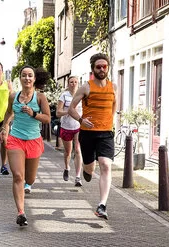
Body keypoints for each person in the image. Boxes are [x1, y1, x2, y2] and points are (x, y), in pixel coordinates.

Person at [0, 65, 50, 226]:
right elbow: (8, 113)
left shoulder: (40, 97)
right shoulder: (13, 96)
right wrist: (4, 128)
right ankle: (21, 212)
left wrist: (33, 114)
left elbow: (48, 119)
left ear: (34, 79)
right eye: (24, 75)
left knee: (29, 178)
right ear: (20, 78)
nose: (27, 78)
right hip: (16, 139)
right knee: (18, 176)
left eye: (30, 75)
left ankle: (28, 185)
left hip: (34, 140)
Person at [68, 53, 116, 220]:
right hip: (87, 133)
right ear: (93, 69)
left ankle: (102, 205)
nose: (102, 69)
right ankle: (87, 171)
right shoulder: (85, 88)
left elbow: (113, 107)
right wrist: (81, 120)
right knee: (90, 167)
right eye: (98, 67)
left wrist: (109, 122)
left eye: (104, 66)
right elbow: (71, 109)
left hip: (106, 133)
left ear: (108, 68)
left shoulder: (113, 87)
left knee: (105, 165)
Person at [56, 76, 83, 186]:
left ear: (78, 83)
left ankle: (77, 177)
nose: (73, 84)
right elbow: (58, 113)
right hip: (66, 126)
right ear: (68, 84)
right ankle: (67, 167)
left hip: (78, 126)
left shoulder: (82, 95)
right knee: (68, 152)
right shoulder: (64, 96)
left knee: (77, 150)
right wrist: (69, 112)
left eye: (75, 82)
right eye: (71, 82)